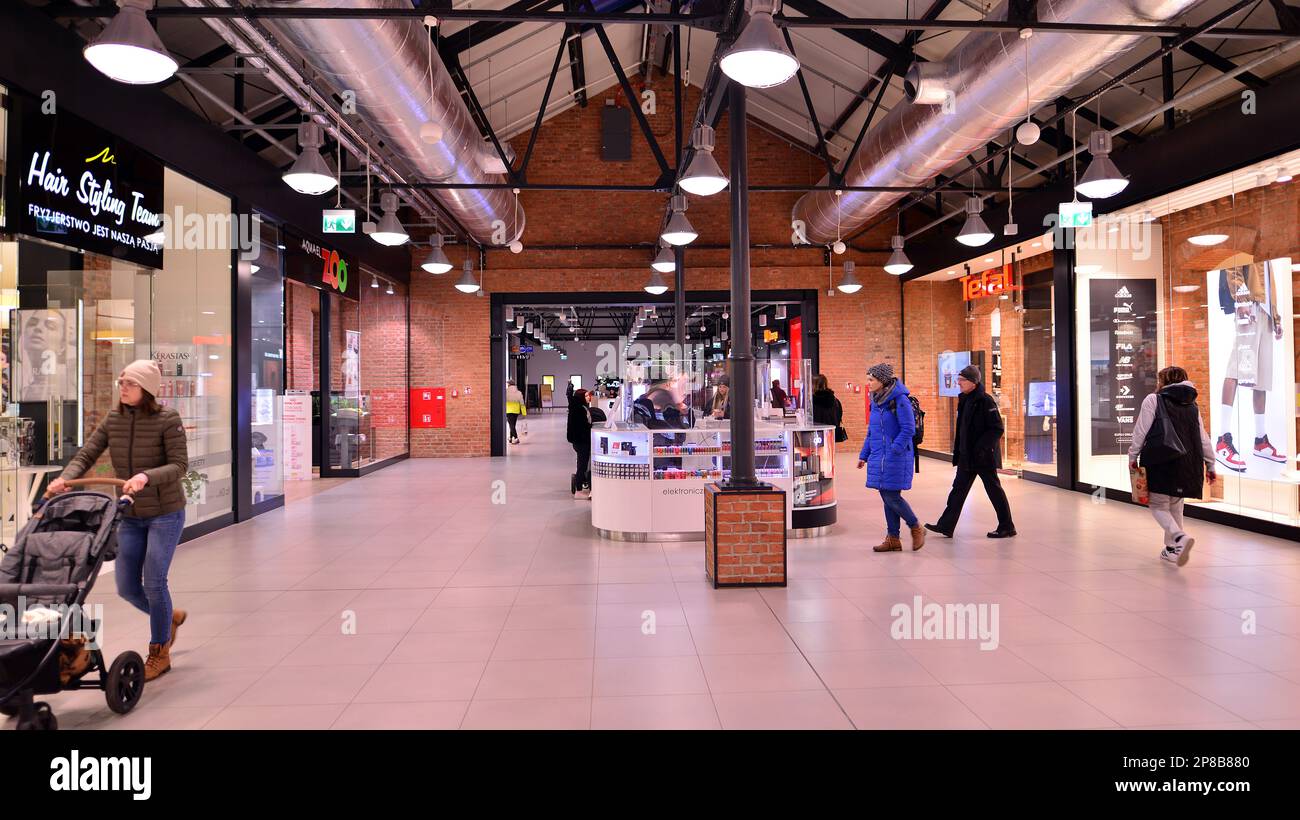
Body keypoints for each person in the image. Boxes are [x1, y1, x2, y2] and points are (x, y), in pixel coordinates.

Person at [48, 360, 189, 681]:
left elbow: (179, 465)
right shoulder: (114, 420)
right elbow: (87, 454)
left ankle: (159, 652)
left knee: (154, 582)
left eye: (130, 383)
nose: (122, 388)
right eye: (121, 382)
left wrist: (144, 476)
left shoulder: (168, 419)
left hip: (165, 513)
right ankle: (168, 619)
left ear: (147, 390)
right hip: (129, 514)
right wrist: (65, 479)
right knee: (126, 586)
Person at [1129, 366, 1216, 566]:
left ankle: (1179, 538)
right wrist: (1211, 465)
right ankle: (1172, 550)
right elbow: (1203, 439)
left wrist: (1132, 455)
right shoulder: (1192, 405)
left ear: (1163, 381)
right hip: (1188, 462)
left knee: (1158, 504)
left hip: (1160, 459)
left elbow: (1141, 431)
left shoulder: (1154, 400)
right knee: (1176, 505)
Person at [925, 365, 1017, 539]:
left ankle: (1007, 526)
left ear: (973, 382)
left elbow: (996, 428)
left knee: (993, 490)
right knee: (958, 490)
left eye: (962, 380)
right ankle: (946, 525)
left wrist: (981, 448)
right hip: (967, 456)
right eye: (958, 379)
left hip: (982, 457)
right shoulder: (965, 399)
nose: (958, 383)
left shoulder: (985, 401)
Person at [1215, 261, 1286, 471]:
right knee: (1236, 369)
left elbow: (1269, 284)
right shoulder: (1247, 244)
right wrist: (1241, 299)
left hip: (1265, 312)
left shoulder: (1268, 251)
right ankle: (1222, 440)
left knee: (1262, 378)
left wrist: (1276, 317)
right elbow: (1232, 268)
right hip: (1249, 307)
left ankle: (1260, 440)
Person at [857, 364, 924, 552]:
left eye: (871, 379)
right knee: (887, 496)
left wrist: (895, 449)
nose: (867, 383)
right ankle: (893, 538)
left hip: (896, 456)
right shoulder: (876, 401)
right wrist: (864, 454)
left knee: (891, 496)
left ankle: (916, 527)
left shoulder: (899, 400)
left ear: (882, 381)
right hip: (880, 455)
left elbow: (908, 428)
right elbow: (872, 432)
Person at [567, 387, 594, 499]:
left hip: (579, 441)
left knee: (582, 464)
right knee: (582, 465)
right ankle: (579, 490)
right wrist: (590, 427)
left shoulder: (579, 407)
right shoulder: (579, 409)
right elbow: (582, 426)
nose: (589, 397)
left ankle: (581, 484)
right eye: (586, 396)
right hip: (581, 441)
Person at [811, 374, 844, 440]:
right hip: (830, 436)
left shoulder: (810, 402)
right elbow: (839, 416)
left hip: (815, 436)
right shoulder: (835, 400)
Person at [505, 380, 526, 444]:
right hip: (516, 411)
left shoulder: (505, 392)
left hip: (508, 410)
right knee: (513, 424)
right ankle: (510, 438)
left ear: (509, 385)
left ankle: (516, 438)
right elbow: (522, 403)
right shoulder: (519, 393)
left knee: (511, 425)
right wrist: (524, 413)